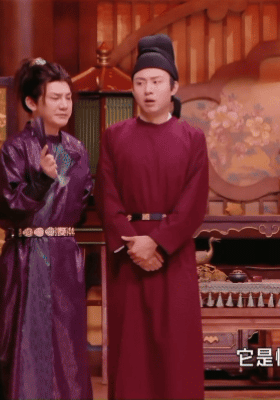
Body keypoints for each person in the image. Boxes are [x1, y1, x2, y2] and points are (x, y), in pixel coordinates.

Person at [95, 33, 209, 400]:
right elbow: (106, 196)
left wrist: (157, 242)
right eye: (141, 82)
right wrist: (134, 244)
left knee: (176, 348)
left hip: (173, 254)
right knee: (131, 351)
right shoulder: (114, 136)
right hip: (128, 256)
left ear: (173, 87)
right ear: (132, 89)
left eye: (157, 82)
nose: (148, 90)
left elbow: (194, 204)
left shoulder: (192, 138)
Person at [0, 58, 93, 399]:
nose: (64, 105)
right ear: (32, 102)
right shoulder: (16, 149)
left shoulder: (76, 150)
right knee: (26, 345)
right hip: (26, 257)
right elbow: (4, 207)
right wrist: (40, 182)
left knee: (67, 349)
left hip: (64, 258)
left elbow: (82, 202)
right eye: (55, 98)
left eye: (68, 97)